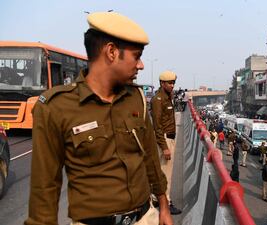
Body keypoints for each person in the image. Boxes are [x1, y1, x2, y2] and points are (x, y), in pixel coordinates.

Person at [25, 12, 173, 225]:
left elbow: (150, 158)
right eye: (136, 56)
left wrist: (164, 207)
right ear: (111, 52)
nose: (141, 65)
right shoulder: (55, 107)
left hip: (145, 217)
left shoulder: (136, 98)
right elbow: (44, 188)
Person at [151, 70, 182, 215]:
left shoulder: (167, 97)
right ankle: (166, 202)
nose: (172, 85)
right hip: (165, 139)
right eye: (170, 83)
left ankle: (156, 198)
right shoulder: (158, 100)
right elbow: (157, 126)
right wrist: (164, 147)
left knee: (162, 171)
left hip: (170, 137)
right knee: (166, 174)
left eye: (174, 82)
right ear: (162, 83)